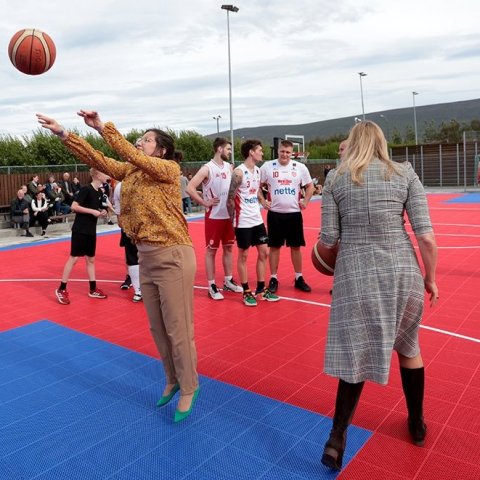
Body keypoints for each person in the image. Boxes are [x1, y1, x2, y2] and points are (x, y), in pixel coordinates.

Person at [37, 111, 200, 423]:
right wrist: (63, 134)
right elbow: (100, 159)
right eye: (141, 140)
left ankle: (190, 386)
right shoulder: (132, 173)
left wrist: (102, 126)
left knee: (179, 329)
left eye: (147, 140)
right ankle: (172, 378)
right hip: (147, 257)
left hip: (174, 255)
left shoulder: (167, 169)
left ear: (161, 149)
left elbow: (124, 151)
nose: (140, 143)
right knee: (157, 327)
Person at [319, 121, 438, 471]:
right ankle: (416, 425)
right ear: (382, 142)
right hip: (403, 273)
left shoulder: (336, 179)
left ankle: (336, 440)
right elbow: (426, 237)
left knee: (354, 353)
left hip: (355, 275)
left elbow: (328, 238)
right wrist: (430, 279)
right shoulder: (404, 173)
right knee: (409, 346)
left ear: (353, 143)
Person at [187, 137, 243, 300]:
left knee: (228, 248)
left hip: (228, 216)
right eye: (228, 149)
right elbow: (190, 188)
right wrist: (204, 202)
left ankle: (228, 280)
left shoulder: (229, 167)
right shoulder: (207, 168)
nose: (230, 152)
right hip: (214, 216)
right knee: (211, 251)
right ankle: (211, 284)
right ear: (219, 149)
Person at [226, 139, 279, 307]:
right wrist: (232, 221)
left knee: (264, 253)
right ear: (251, 151)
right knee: (244, 255)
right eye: (260, 150)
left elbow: (256, 190)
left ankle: (261, 290)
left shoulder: (257, 171)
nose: (262, 153)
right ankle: (246, 291)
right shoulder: (238, 173)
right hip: (242, 221)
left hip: (257, 219)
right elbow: (229, 198)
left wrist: (262, 201)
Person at [259, 139, 315, 294]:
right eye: (282, 151)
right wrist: (263, 201)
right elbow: (257, 186)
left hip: (294, 214)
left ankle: (298, 278)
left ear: (292, 153)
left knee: (296, 247)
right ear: (278, 151)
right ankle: (273, 278)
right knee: (274, 246)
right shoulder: (267, 166)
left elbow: (310, 186)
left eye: (288, 152)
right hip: (275, 213)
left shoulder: (300, 168)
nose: (284, 154)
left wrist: (306, 200)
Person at [50, 167, 109, 304]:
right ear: (97, 174)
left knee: (91, 260)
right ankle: (61, 288)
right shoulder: (86, 189)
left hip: (91, 230)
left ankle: (93, 289)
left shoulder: (99, 192)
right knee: (74, 258)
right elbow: (74, 206)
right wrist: (92, 212)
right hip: (80, 229)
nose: (107, 174)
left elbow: (99, 207)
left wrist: (102, 211)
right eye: (104, 172)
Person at [113, 180, 142, 303]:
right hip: (142, 225)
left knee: (132, 257)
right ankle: (140, 289)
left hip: (129, 226)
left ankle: (138, 290)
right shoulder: (143, 183)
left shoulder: (119, 186)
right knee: (138, 256)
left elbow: (118, 212)